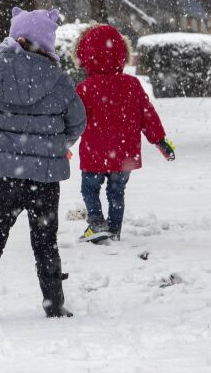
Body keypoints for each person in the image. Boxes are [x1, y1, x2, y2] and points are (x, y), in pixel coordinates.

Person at [0, 7, 87, 330]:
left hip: (7, 176)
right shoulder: (59, 80)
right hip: (44, 178)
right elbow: (77, 121)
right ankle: (54, 303)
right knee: (45, 241)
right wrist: (57, 143)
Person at [74, 24, 175, 243]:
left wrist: (60, 143)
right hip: (123, 154)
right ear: (122, 54)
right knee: (116, 192)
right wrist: (161, 141)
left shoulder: (84, 88)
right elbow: (148, 116)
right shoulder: (132, 85)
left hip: (94, 154)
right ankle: (114, 229)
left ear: (86, 56)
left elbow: (73, 120)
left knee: (89, 188)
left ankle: (97, 223)